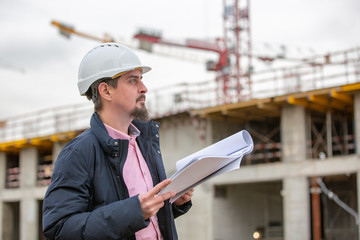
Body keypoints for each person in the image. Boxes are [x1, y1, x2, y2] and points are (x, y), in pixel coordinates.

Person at [42, 43, 193, 240]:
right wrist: (133, 211)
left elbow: (144, 222)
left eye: (142, 80)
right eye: (132, 81)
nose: (144, 88)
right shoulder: (79, 153)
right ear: (106, 91)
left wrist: (170, 203)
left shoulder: (145, 143)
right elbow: (60, 229)